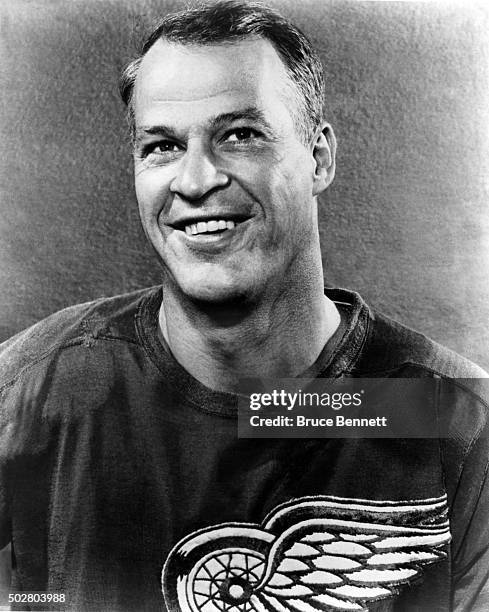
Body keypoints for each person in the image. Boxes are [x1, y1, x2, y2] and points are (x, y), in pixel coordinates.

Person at [0, 1, 488, 611]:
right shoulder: (34, 390)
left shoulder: (451, 419)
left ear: (319, 157)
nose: (196, 179)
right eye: (161, 146)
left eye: (240, 136)